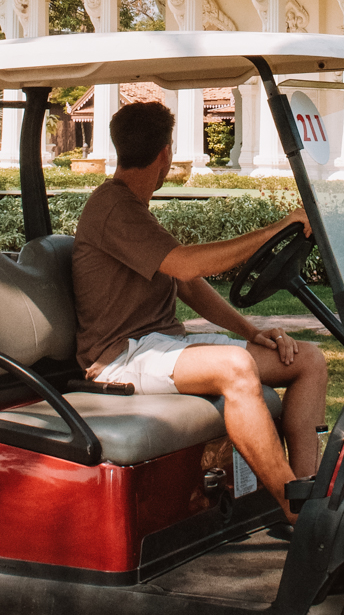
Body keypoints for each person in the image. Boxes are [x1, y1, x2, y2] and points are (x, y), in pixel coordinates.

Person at [72, 100, 328, 521]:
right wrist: (273, 229)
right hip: (119, 358)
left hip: (161, 347)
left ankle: (307, 495)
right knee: (234, 367)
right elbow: (187, 264)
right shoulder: (112, 207)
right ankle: (294, 508)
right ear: (165, 154)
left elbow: (186, 283)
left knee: (309, 360)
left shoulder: (133, 210)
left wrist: (250, 331)